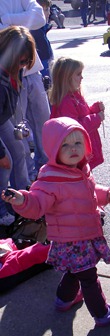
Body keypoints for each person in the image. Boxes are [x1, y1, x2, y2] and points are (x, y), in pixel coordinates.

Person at [1, 116, 110, 326]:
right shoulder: (50, 179)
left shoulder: (80, 168)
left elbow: (89, 191)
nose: (73, 149)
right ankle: (102, 314)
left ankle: (63, 299)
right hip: (72, 239)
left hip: (84, 235)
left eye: (78, 142)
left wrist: (105, 195)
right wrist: (22, 199)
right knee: (88, 277)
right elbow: (36, 203)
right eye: (64, 145)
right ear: (53, 149)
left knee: (75, 270)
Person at [0, 0, 51, 183]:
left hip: (31, 73)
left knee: (38, 130)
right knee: (9, 154)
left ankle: (39, 180)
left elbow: (39, 18)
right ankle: (16, 193)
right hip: (5, 85)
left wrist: (6, 20)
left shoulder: (18, 69)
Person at [0, 26, 36, 226]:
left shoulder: (15, 69)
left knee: (19, 152)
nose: (23, 66)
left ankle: (23, 201)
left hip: (2, 119)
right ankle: (0, 210)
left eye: (25, 61)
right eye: (20, 61)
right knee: (5, 163)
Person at [49, 57, 105, 171]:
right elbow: (75, 128)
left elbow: (82, 114)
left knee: (85, 175)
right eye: (78, 74)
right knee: (80, 177)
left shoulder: (74, 94)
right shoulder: (66, 102)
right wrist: (96, 118)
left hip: (79, 149)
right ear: (67, 78)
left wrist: (94, 109)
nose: (82, 77)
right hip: (75, 151)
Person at [31, 0, 54, 79]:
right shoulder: (34, 30)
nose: (49, 13)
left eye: (49, 9)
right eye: (46, 10)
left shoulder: (41, 29)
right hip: (42, 69)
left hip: (47, 66)